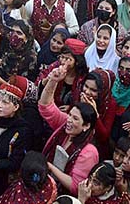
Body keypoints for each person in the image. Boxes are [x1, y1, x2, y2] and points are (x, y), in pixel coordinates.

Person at [39, 66, 99, 194]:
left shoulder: (89, 152)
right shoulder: (65, 126)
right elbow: (45, 106)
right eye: (70, 115)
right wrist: (53, 81)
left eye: (75, 118)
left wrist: (50, 167)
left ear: (86, 126)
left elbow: (76, 186)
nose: (69, 120)